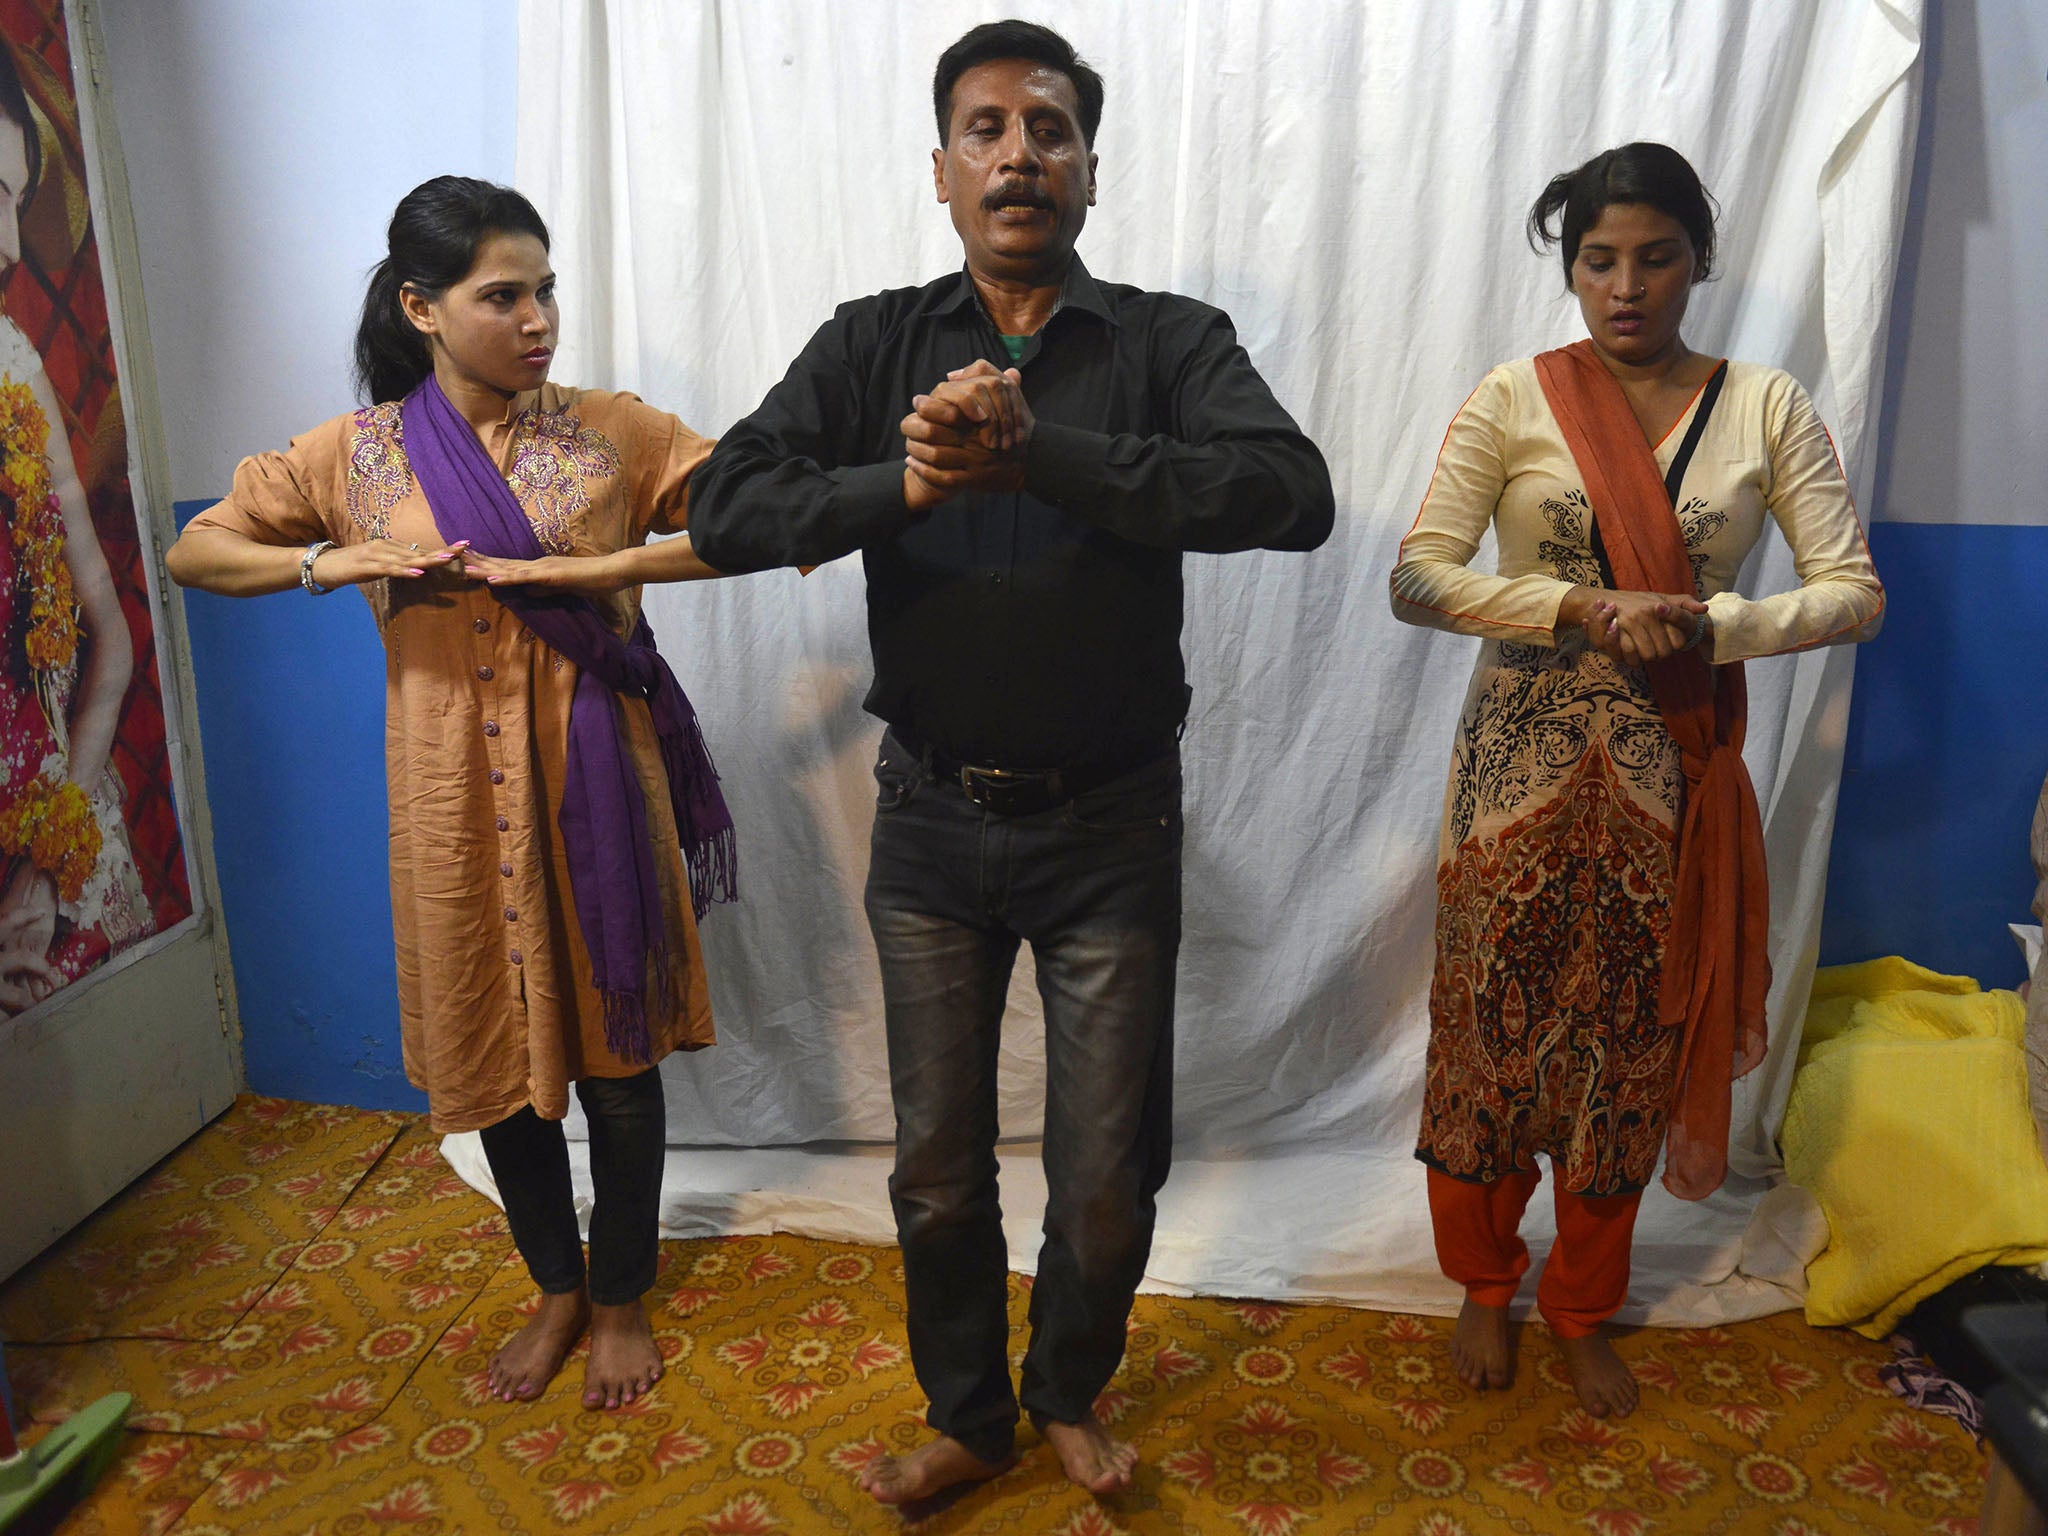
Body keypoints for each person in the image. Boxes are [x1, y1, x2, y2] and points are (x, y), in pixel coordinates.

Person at [688, 19, 1333, 1506]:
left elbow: (1289, 493)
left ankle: (1066, 1388)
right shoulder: (872, 344)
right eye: (985, 129)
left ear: (1091, 169)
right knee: (933, 1169)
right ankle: (974, 1415)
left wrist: (1043, 451)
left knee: (1107, 1182)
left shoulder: (1169, 341)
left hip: (1112, 824)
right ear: (942, 170)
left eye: (1048, 128)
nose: (1018, 154)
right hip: (928, 824)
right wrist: (901, 478)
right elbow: (729, 504)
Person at [165, 176, 737, 1412]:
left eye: (544, 291)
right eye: (503, 296)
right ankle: (554, 1287)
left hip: (594, 772)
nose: (538, 320)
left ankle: (623, 1289)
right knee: (491, 1048)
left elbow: (753, 513)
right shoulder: (357, 455)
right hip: (446, 800)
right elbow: (194, 548)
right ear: (422, 306)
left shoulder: (611, 432)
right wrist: (334, 558)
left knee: (612, 1055)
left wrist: (607, 564)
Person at [1390, 142, 1884, 1418]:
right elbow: (1417, 576)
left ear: (1695, 262)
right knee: (1491, 1037)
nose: (1624, 287)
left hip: (1671, 785)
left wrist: (1704, 625)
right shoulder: (1514, 397)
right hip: (1513, 778)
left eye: (1653, 257)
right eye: (1597, 260)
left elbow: (1851, 594)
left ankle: (1580, 1305)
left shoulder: (1764, 408)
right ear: (1570, 268)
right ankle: (1485, 1282)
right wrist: (1573, 606)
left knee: (1628, 1043)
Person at [0, 42, 147, 1013]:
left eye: (12, 197)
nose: (9, 245)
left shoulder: (11, 362)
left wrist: (42, 881)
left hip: (35, 852)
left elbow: (113, 644)